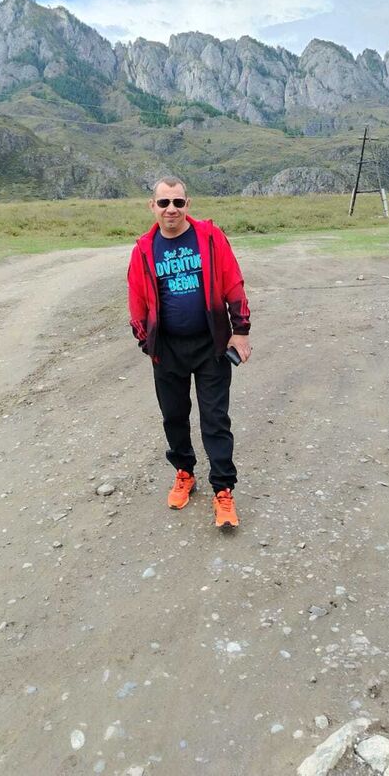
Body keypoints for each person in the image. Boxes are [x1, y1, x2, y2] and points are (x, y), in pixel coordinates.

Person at [127, 176, 252, 528]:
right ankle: (184, 472)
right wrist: (146, 341)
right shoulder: (143, 249)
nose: (171, 209)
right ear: (152, 206)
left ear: (188, 204)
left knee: (215, 420)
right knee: (173, 416)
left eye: (178, 202)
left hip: (211, 345)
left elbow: (233, 283)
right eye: (164, 202)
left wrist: (240, 331)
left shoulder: (209, 238)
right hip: (167, 349)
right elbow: (136, 299)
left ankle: (223, 490)